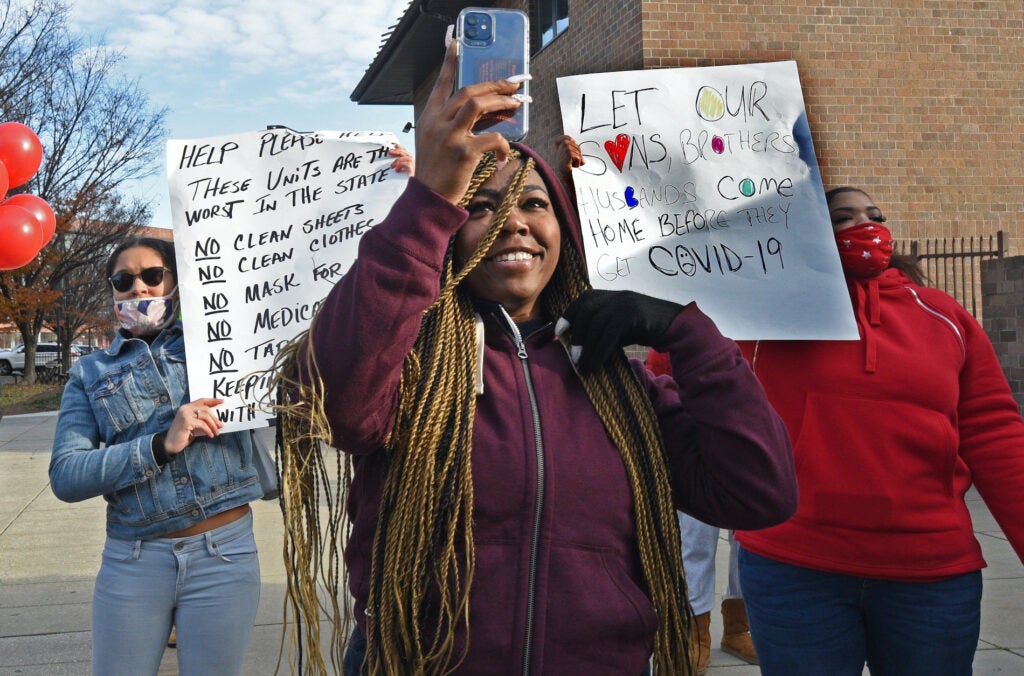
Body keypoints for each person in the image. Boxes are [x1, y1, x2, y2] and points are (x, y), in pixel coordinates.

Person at [270, 37, 797, 676]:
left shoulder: (622, 389)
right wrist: (429, 198)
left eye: (533, 204)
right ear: (444, 232)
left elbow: (761, 494)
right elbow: (343, 407)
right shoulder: (406, 367)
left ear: (562, 233)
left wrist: (685, 332)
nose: (513, 222)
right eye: (481, 208)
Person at [735, 187, 1024, 675]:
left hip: (931, 576)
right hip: (796, 568)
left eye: (874, 215)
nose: (864, 225)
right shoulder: (769, 314)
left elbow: (996, 435)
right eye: (842, 216)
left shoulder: (945, 317)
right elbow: (681, 370)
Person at [49, 237, 264, 675]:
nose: (139, 289)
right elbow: (67, 474)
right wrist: (156, 445)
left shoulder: (221, 346)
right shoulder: (89, 373)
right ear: (112, 293)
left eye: (152, 276)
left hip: (224, 555)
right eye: (123, 280)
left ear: (173, 284)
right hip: (134, 561)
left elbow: (309, 332)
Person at [647, 349, 760, 676]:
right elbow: (657, 377)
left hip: (748, 435)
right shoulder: (683, 314)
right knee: (695, 539)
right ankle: (694, 630)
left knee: (747, 540)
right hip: (694, 439)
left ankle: (738, 626)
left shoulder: (759, 316)